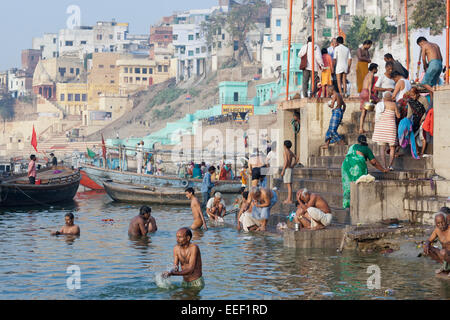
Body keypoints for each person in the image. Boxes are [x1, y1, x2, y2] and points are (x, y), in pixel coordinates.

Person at [341, 135, 389, 208]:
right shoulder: (366, 149)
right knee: (359, 183)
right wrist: (383, 170)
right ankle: (358, 204)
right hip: (357, 166)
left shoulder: (353, 146)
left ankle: (348, 204)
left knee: (348, 185)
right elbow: (374, 162)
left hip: (346, 165)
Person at [372, 92, 401, 170]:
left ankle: (384, 166)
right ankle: (390, 165)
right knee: (392, 147)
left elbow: (375, 116)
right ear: (391, 97)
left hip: (381, 127)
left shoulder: (379, 105)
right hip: (390, 127)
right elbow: (398, 116)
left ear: (384, 97)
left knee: (382, 148)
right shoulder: (394, 105)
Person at [423, 212, 450, 277]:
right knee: (426, 247)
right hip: (445, 256)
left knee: (443, 252)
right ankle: (444, 266)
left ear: (446, 221)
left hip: (447, 254)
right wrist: (426, 244)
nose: (441, 225)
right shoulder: (437, 230)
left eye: (442, 222)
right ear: (436, 224)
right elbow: (429, 240)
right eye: (438, 223)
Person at [405, 88, 428, 156]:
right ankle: (417, 152)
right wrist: (407, 121)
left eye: (414, 95)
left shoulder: (423, 99)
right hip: (415, 120)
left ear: (417, 94)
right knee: (413, 136)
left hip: (424, 119)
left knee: (422, 136)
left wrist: (423, 119)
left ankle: (422, 152)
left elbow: (427, 110)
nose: (413, 97)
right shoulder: (410, 101)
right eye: (411, 95)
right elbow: (409, 113)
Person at [359, 63, 379, 133]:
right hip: (367, 92)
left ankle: (361, 128)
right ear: (374, 69)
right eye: (376, 68)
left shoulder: (367, 74)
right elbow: (370, 87)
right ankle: (375, 127)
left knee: (363, 112)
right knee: (378, 102)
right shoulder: (371, 75)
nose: (377, 70)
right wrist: (370, 97)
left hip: (362, 92)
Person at [281, 140, 298, 204]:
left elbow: (285, 161)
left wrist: (283, 170)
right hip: (289, 168)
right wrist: (293, 165)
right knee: (289, 185)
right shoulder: (290, 152)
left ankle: (289, 200)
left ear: (284, 146)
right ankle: (288, 199)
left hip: (287, 169)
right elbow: (297, 158)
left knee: (288, 185)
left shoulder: (285, 152)